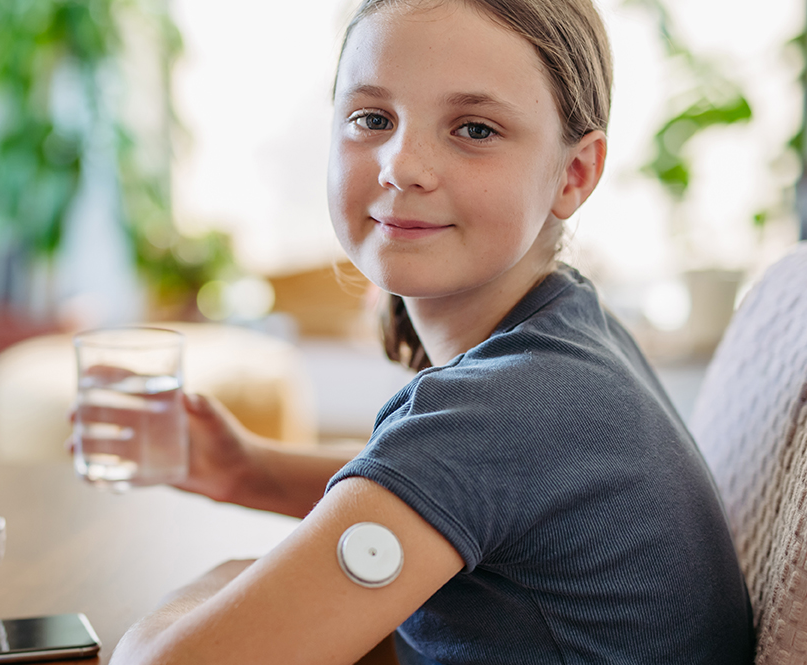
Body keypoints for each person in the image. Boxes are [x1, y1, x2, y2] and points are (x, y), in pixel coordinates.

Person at [109, 0, 755, 662]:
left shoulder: (500, 409)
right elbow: (481, 494)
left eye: (474, 129)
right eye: (371, 118)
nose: (402, 165)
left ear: (575, 173)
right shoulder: (572, 333)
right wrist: (252, 472)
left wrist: (229, 581)